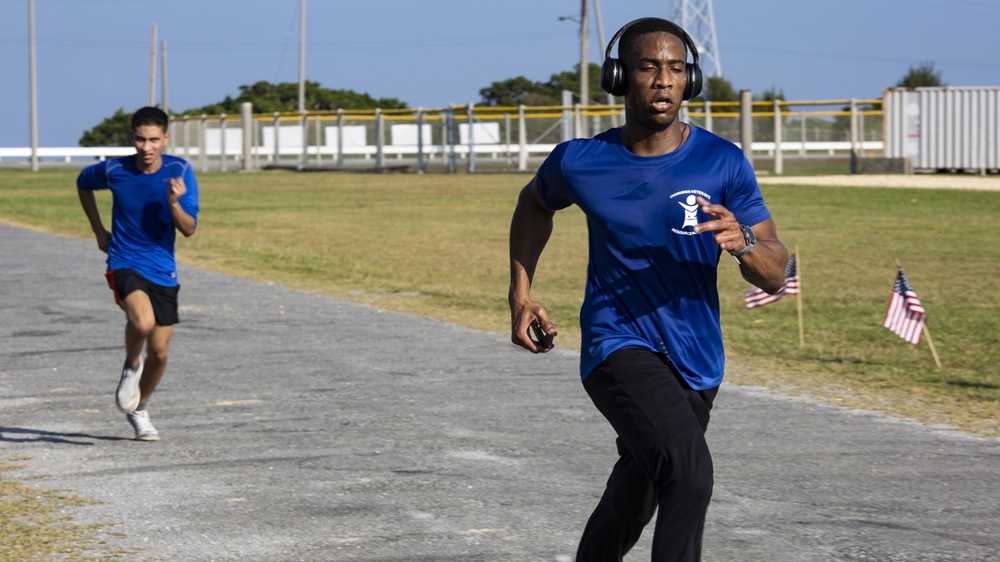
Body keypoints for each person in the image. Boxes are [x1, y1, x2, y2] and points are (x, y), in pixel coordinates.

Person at [508, 18, 788, 561]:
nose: (664, 80)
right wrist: (520, 293)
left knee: (633, 497)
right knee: (689, 474)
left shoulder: (722, 161)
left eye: (677, 69)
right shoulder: (580, 160)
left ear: (691, 80)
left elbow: (776, 272)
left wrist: (744, 241)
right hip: (617, 344)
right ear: (620, 76)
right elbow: (533, 203)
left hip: (697, 358)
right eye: (648, 67)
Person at [77, 106, 199, 441]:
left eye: (154, 140)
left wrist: (175, 203)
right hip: (124, 260)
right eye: (140, 139)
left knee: (159, 354)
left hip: (163, 269)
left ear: (166, 139)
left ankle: (139, 409)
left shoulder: (180, 170)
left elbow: (189, 229)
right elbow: (82, 183)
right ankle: (131, 366)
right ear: (132, 137)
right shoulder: (115, 169)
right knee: (142, 323)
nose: (146, 147)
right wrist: (99, 231)